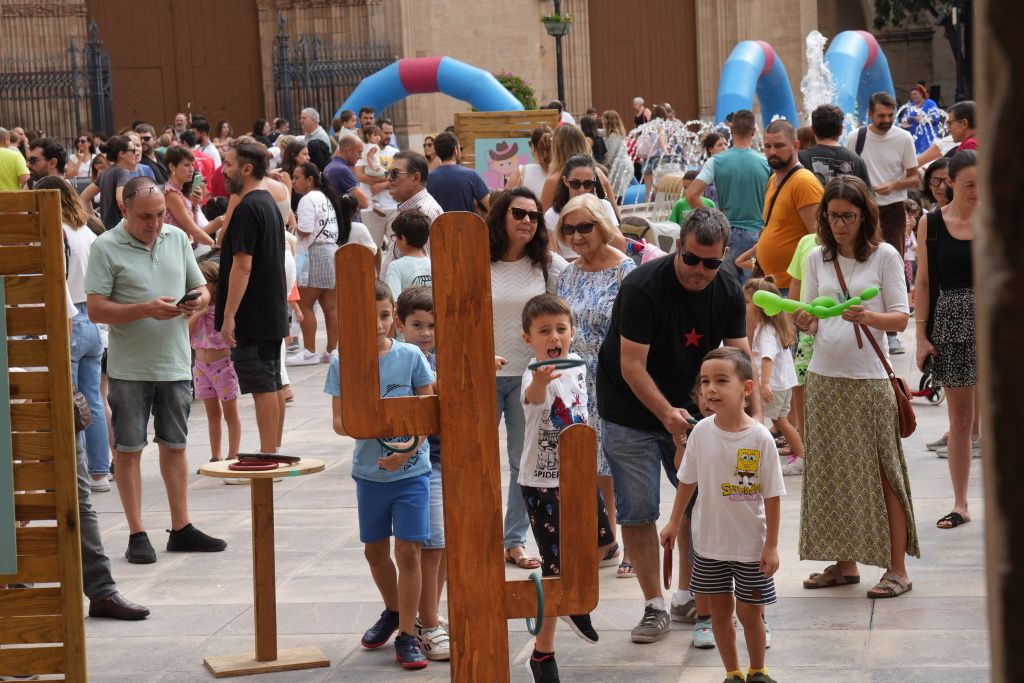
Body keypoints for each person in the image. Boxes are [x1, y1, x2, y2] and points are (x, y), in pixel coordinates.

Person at [596, 207, 757, 643]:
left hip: (690, 409)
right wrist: (667, 415)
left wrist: (753, 417)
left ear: (724, 256)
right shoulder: (642, 287)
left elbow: (741, 358)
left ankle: (690, 596)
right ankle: (653, 605)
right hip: (629, 408)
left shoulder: (725, 288)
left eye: (712, 262)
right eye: (692, 259)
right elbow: (632, 366)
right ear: (676, 248)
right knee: (639, 508)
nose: (700, 271)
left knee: (699, 506)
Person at [85, 176, 227, 563]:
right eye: (146, 216)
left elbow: (203, 289)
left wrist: (196, 300)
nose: (155, 223)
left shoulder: (178, 239)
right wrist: (145, 309)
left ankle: (181, 527)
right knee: (129, 450)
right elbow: (95, 307)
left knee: (176, 447)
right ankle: (137, 533)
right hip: (130, 368)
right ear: (125, 212)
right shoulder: (105, 246)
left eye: (161, 214)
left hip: (175, 363)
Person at [794, 175, 917, 599]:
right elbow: (812, 312)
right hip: (826, 378)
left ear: (866, 215)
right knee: (831, 474)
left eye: (848, 215)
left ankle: (897, 568)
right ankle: (844, 564)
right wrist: (806, 321)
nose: (841, 224)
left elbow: (901, 317)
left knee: (886, 475)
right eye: (833, 216)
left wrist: (870, 317)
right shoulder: (818, 258)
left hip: (868, 381)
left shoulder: (884, 256)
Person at [324, 280, 434, 670]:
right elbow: (339, 421)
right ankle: (392, 609)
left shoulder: (411, 357)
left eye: (385, 315)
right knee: (374, 550)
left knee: (409, 550)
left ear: (394, 317)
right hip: (369, 474)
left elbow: (429, 412)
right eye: (367, 317)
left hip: (412, 474)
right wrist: (373, 430)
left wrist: (405, 451)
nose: (377, 325)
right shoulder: (343, 362)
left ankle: (408, 632)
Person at [659, 347, 784, 683]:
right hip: (709, 545)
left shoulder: (760, 438)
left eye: (720, 381)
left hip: (750, 547)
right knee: (719, 613)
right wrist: (673, 521)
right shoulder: (700, 432)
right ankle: (733, 673)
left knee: (750, 613)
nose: (710, 389)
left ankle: (758, 671)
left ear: (746, 388)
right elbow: (687, 480)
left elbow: (772, 496)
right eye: (705, 382)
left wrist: (771, 545)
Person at [519, 293, 613, 683]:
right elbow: (533, 397)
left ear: (572, 332)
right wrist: (540, 381)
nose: (554, 336)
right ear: (529, 338)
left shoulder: (576, 365)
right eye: (544, 331)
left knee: (604, 539)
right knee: (556, 570)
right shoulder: (534, 372)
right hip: (542, 483)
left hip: (577, 474)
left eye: (561, 328)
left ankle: (576, 599)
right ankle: (543, 653)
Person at [554, 193, 635, 576]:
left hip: (615, 378)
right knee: (591, 461)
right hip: (574, 379)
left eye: (585, 226)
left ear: (602, 226)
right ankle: (607, 537)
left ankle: (636, 544)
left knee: (622, 459)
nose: (577, 236)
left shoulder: (626, 271)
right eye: (569, 229)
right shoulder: (566, 274)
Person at [489, 188, 569, 569]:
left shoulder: (548, 265)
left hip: (531, 379)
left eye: (534, 216)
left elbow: (567, 311)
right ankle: (477, 536)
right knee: (477, 462)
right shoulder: (478, 260)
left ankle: (513, 540)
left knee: (525, 461)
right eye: (518, 214)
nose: (526, 221)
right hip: (484, 375)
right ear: (502, 216)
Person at [915, 150, 979, 529]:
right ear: (950, 182)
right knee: (961, 419)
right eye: (970, 184)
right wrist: (921, 336)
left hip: (997, 324)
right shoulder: (931, 223)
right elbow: (923, 283)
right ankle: (960, 503)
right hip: (952, 325)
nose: (977, 192)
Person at [34, 176, 111, 491]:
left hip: (69, 316)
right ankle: (99, 471)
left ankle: (77, 471)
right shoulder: (87, 231)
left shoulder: (55, 231)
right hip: (92, 318)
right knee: (91, 398)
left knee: (69, 400)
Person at [217, 140, 289, 455]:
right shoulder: (267, 203)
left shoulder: (248, 207)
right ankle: (272, 450)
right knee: (272, 384)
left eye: (229, 164)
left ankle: (268, 455)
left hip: (254, 315)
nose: (223, 169)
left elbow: (242, 266)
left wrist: (229, 315)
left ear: (247, 169)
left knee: (263, 387)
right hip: (270, 311)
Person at [393, 286, 450, 662]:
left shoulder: (439, 357)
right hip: (418, 463)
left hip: (446, 460)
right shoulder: (404, 360)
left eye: (432, 325)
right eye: (417, 325)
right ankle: (426, 624)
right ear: (401, 324)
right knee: (428, 547)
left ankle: (428, 615)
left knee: (441, 547)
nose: (426, 332)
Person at [845, 92, 918, 355]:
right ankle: (859, 319)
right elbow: (848, 172)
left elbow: (914, 178)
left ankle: (891, 332)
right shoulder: (857, 137)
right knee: (862, 260)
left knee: (894, 264)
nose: (886, 120)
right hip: (864, 209)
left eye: (890, 115)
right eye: (881, 116)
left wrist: (893, 185)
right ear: (870, 114)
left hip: (893, 209)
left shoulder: (904, 138)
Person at [286, 162, 360, 365]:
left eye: (297, 177)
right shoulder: (325, 197)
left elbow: (306, 229)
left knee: (305, 303)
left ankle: (310, 351)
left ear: (310, 180)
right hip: (331, 251)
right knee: (330, 305)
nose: (294, 182)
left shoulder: (307, 199)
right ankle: (331, 350)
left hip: (316, 252)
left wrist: (292, 229)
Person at [685, 110, 771, 283]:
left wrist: (714, 219)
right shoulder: (766, 162)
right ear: (754, 132)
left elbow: (692, 195)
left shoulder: (716, 161)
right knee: (753, 292)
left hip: (725, 236)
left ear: (731, 130)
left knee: (726, 290)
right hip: (757, 236)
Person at [744, 277, 804, 474]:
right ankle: (802, 457)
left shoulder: (768, 331)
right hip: (783, 384)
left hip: (774, 385)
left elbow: (767, 358)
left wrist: (765, 384)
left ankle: (755, 460)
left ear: (761, 306)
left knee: (760, 419)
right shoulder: (770, 327)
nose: (744, 306)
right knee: (782, 421)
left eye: (747, 302)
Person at [755, 120, 824, 291]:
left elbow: (818, 237)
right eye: (767, 146)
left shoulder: (803, 182)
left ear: (795, 146)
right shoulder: (773, 180)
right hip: (773, 284)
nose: (772, 152)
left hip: (793, 288)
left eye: (779, 145)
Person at [189, 261, 241, 463]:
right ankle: (215, 455)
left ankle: (232, 454)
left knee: (230, 413)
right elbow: (186, 333)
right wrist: (198, 312)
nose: (197, 290)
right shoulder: (195, 309)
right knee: (212, 414)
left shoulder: (223, 310)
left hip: (223, 365)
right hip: (201, 367)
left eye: (201, 284)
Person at [544, 154, 625, 259]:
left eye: (588, 184)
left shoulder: (604, 206)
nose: (582, 189)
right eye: (575, 183)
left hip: (602, 267)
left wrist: (597, 217)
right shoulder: (553, 215)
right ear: (566, 181)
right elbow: (552, 258)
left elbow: (621, 247)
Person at [380, 151, 443, 271]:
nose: (388, 178)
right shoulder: (413, 208)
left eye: (395, 173)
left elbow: (421, 273)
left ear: (415, 178)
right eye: (388, 172)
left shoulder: (424, 212)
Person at [798, 104, 871, 188]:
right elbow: (868, 197)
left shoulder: (799, 157)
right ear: (841, 130)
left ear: (813, 130)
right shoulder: (857, 161)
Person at [162, 146, 219, 246]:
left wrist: (195, 205)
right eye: (186, 165)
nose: (191, 169)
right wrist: (215, 246)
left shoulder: (177, 192)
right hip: (174, 248)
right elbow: (193, 230)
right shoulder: (171, 193)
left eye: (192, 165)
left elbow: (193, 227)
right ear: (172, 167)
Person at [79, 135, 137, 230]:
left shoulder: (107, 171)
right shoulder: (123, 172)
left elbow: (84, 197)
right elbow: (121, 199)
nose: (136, 153)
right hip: (121, 232)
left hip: (108, 231)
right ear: (122, 154)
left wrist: (97, 224)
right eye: (133, 151)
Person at [425, 132, 489, 214]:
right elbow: (490, 205)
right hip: (467, 226)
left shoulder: (428, 179)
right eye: (460, 148)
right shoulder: (471, 175)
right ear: (455, 150)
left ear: (437, 153)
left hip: (438, 226)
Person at [384, 209, 433, 297]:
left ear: (403, 239)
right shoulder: (433, 264)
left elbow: (394, 302)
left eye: (395, 236)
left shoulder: (395, 266)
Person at [507, 125, 554, 199]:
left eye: (530, 143)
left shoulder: (521, 171)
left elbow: (503, 202)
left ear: (533, 147)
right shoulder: (561, 173)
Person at [324, 134, 369, 209]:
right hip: (347, 219)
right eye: (359, 152)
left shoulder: (330, 166)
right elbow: (364, 203)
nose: (360, 157)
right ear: (349, 150)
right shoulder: (342, 170)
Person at [899, 84, 942, 155]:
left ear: (921, 94)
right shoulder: (910, 105)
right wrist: (903, 124)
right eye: (912, 94)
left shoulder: (930, 103)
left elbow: (936, 119)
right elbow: (904, 118)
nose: (913, 96)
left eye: (915, 94)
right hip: (913, 136)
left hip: (927, 136)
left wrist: (924, 119)